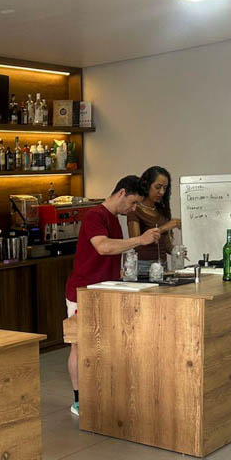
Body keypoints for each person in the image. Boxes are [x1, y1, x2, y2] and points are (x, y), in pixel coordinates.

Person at [65, 175, 159, 416]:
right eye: (133, 202)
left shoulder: (114, 219)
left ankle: (101, 394)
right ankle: (79, 400)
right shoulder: (95, 216)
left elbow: (112, 252)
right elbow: (103, 246)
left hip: (105, 291)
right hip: (83, 292)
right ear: (121, 193)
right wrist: (140, 240)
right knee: (79, 346)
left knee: (104, 346)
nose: (134, 209)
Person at [126, 165, 180, 264]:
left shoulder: (161, 209)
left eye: (165, 188)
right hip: (144, 265)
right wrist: (165, 227)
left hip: (163, 264)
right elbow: (136, 243)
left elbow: (167, 246)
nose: (162, 192)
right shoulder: (134, 210)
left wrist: (178, 251)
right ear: (147, 185)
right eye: (158, 187)